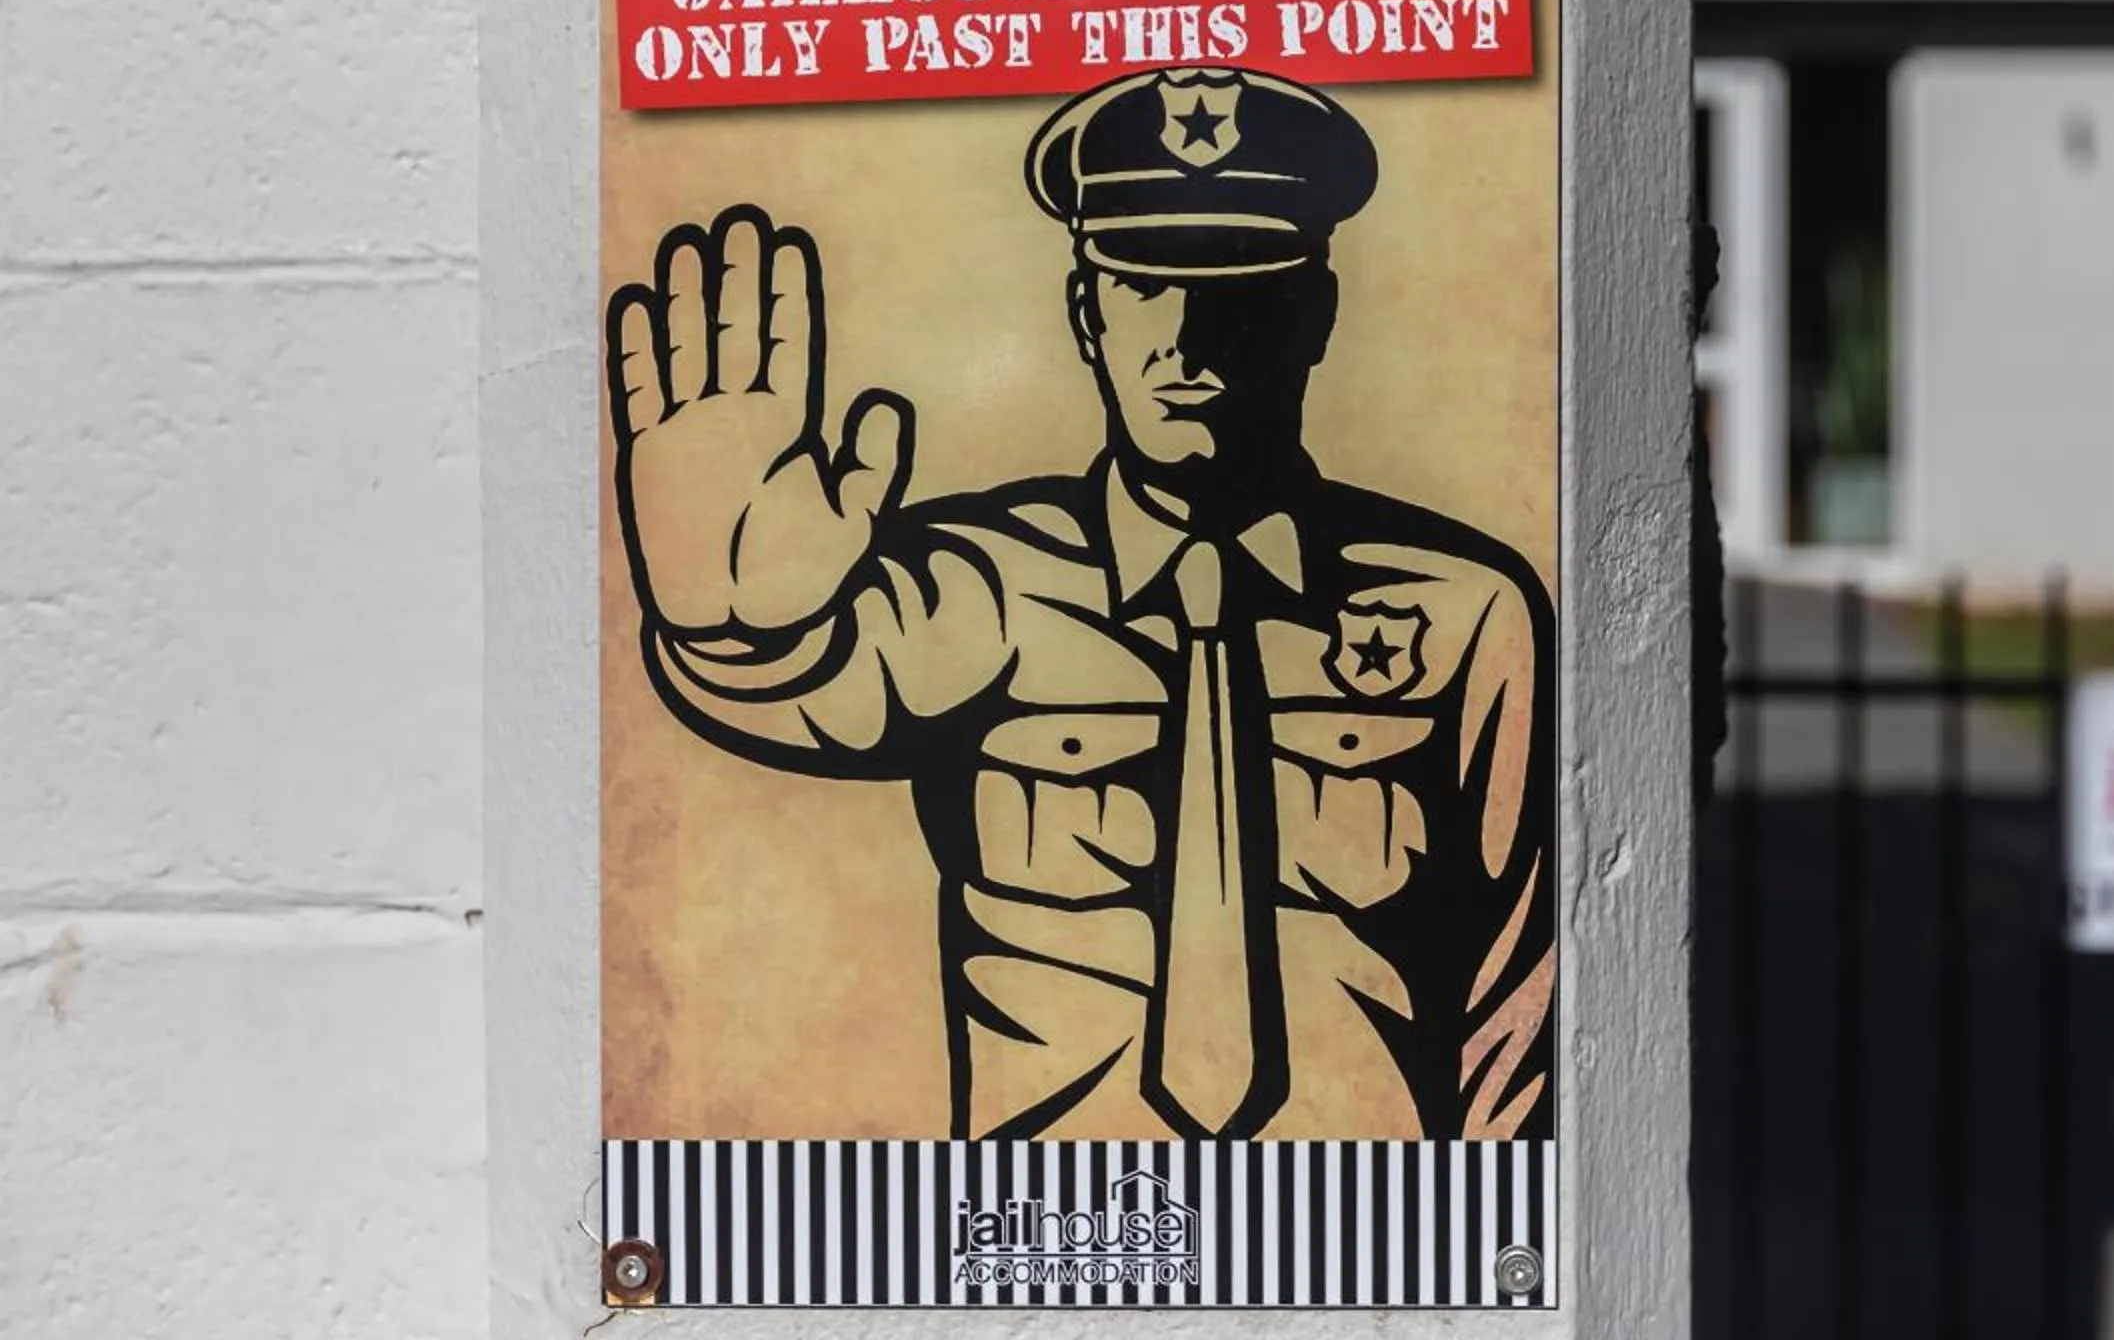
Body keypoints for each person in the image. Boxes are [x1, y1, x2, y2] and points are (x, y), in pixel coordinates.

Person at [603, 66, 1554, 1143]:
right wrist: (729, 622)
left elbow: (1516, 988)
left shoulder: (1464, 609)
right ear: (1085, 312)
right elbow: (809, 679)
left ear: (1317, 313)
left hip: (1364, 1226)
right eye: (1144, 282)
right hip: (1040, 1239)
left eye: (1242, 287)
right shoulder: (982, 584)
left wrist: (1475, 1251)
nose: (1189, 339)